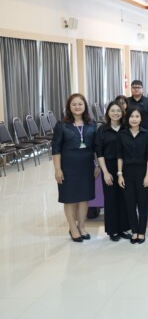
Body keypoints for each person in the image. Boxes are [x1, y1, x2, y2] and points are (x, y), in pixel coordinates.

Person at [52, 93, 99, 242]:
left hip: (86, 166)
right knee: (70, 198)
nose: (77, 107)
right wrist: (58, 169)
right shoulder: (61, 125)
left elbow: (97, 147)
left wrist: (97, 165)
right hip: (68, 166)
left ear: (85, 106)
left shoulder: (92, 124)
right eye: (74, 104)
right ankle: (73, 228)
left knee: (84, 198)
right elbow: (56, 149)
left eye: (80, 104)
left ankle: (82, 226)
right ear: (69, 107)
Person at [117, 107, 148, 244]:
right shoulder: (122, 135)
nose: (134, 119)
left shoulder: (147, 134)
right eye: (131, 116)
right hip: (126, 172)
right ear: (127, 118)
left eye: (137, 116)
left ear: (141, 118)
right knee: (130, 204)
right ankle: (134, 231)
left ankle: (142, 231)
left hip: (142, 172)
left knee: (143, 204)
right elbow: (119, 156)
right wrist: (120, 174)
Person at [95, 101, 131, 242]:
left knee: (124, 198)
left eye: (118, 111)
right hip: (108, 167)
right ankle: (112, 230)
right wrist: (105, 172)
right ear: (108, 113)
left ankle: (124, 228)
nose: (115, 113)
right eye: (112, 110)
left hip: (125, 167)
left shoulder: (127, 128)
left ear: (122, 113)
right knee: (110, 199)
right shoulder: (102, 130)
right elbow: (99, 152)